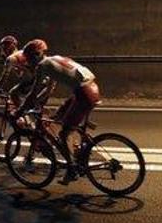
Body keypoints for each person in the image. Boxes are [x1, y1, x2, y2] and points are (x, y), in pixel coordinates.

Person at [13, 39, 100, 183]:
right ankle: (75, 148)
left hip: (84, 94)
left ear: (35, 56)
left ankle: (72, 169)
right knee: (59, 116)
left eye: (29, 59)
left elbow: (33, 92)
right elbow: (49, 88)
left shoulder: (42, 66)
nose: (29, 63)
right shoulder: (54, 59)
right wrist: (37, 103)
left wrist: (21, 109)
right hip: (89, 88)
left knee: (64, 132)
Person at [0, 35, 34, 109]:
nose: (3, 51)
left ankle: (22, 115)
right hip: (39, 80)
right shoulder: (21, 53)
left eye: (3, 48)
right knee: (26, 102)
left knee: (13, 94)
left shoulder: (11, 59)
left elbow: (3, 78)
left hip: (35, 81)